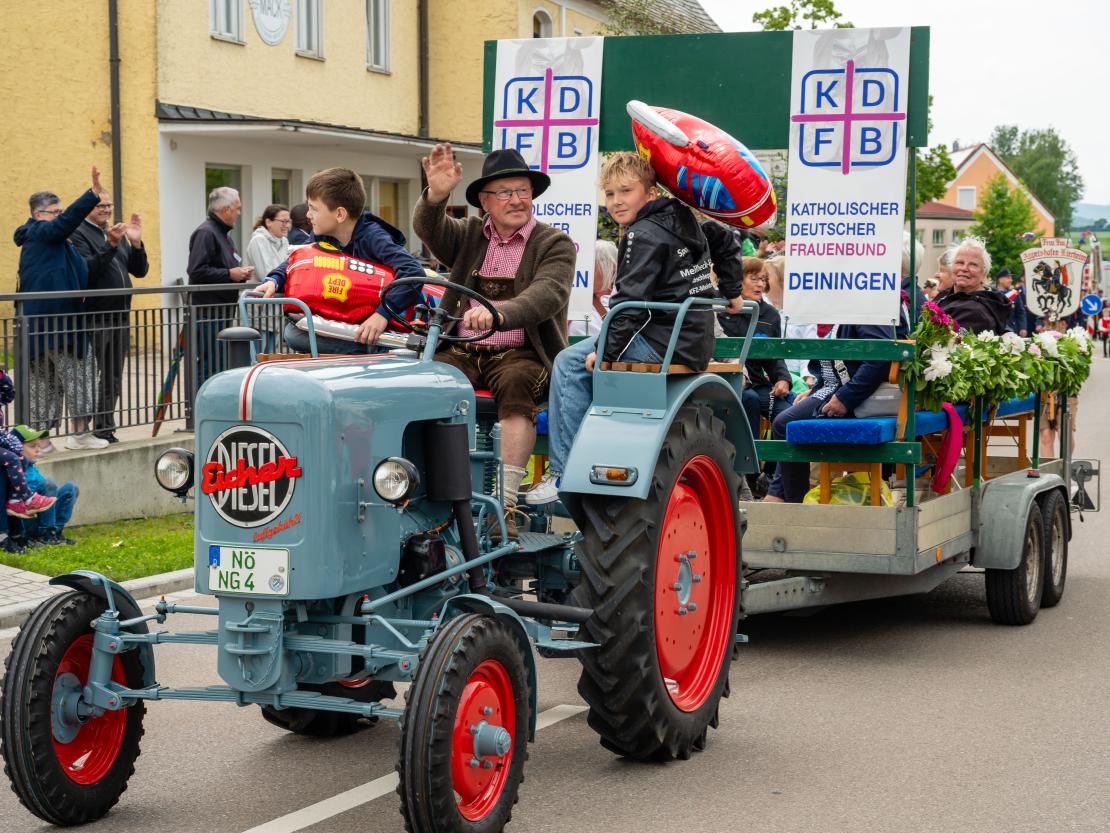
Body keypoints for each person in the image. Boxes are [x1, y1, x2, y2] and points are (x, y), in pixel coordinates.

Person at [536, 151, 743, 508]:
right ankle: (594, 448)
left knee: (569, 364)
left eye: (625, 192)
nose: (616, 202)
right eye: (610, 194)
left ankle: (563, 473)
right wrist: (733, 290)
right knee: (583, 355)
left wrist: (605, 355)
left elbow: (630, 305)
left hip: (659, 340)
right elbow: (727, 240)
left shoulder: (642, 234)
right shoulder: (686, 219)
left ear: (650, 193)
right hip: (692, 339)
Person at [414, 145, 576, 538]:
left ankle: (502, 505)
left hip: (522, 351)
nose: (517, 200)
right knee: (428, 383)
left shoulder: (553, 243)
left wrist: (499, 313)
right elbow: (429, 229)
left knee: (519, 382)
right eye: (505, 193)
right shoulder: (469, 234)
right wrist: (436, 195)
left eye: (522, 191)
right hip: (465, 349)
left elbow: (547, 294)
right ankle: (426, 493)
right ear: (485, 201)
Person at [258, 169, 425, 354]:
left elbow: (413, 271)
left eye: (314, 208)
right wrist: (273, 280)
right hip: (350, 316)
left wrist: (382, 315)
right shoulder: (321, 236)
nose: (308, 215)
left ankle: (380, 348)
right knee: (294, 330)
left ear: (339, 214)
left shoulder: (374, 237)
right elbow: (296, 260)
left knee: (295, 335)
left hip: (382, 324)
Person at [15, 166, 112, 449]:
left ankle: (42, 443)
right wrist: (92, 193)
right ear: (39, 215)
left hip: (43, 324)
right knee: (76, 377)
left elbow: (84, 271)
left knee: (45, 382)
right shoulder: (43, 233)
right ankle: (76, 436)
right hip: (60, 324)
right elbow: (65, 222)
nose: (60, 217)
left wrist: (111, 246)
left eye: (60, 211)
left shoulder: (52, 239)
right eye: (54, 212)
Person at [763, 321, 897, 503]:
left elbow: (879, 358)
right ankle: (780, 495)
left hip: (860, 397)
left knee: (785, 423)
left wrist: (845, 398)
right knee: (784, 418)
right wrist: (814, 390)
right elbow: (832, 370)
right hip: (833, 390)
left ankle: (793, 503)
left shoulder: (864, 310)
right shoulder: (838, 313)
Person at [70, 188, 148, 444]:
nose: (106, 209)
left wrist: (135, 244)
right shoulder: (78, 233)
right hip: (95, 315)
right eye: (100, 205)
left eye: (109, 205)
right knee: (92, 375)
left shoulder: (113, 232)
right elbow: (88, 272)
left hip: (120, 315)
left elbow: (139, 270)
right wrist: (111, 244)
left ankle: (105, 427)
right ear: (89, 207)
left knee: (113, 374)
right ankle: (83, 430)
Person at [187, 187, 254, 386]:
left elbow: (221, 268)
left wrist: (238, 274)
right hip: (208, 313)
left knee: (219, 363)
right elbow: (196, 271)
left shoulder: (222, 234)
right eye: (237, 208)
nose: (239, 213)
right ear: (226, 209)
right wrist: (229, 274)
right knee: (210, 364)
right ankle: (204, 408)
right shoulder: (206, 233)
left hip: (221, 310)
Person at [721, 257, 791, 443]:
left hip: (758, 382)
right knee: (749, 400)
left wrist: (783, 379)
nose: (760, 284)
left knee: (786, 413)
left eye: (763, 279)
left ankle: (773, 469)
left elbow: (775, 356)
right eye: (754, 278)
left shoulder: (770, 314)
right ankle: (750, 467)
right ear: (738, 280)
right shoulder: (721, 309)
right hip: (728, 379)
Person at [933, 236, 1011, 334]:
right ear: (951, 267)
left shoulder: (977, 313)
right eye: (960, 262)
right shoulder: (947, 294)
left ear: (984, 274)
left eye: (973, 264)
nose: (964, 268)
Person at [16, 426, 78, 546]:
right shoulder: (14, 467)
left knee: (71, 488)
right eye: (33, 446)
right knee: (49, 484)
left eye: (39, 446)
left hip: (40, 514)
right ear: (17, 448)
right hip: (25, 519)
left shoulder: (31, 466)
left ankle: (54, 532)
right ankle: (46, 534)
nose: (38, 450)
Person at [568, 239, 617, 336]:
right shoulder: (574, 296)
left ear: (612, 267)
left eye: (592, 265)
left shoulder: (620, 299)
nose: (587, 272)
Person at [244, 204, 291, 277]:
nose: (287, 225)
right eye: (283, 221)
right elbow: (266, 275)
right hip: (260, 288)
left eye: (288, 221)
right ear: (268, 222)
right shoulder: (258, 240)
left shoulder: (284, 241)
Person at [994, 268, 1028, 337]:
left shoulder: (1014, 293)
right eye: (1008, 278)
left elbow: (1020, 312)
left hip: (1012, 331)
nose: (1011, 280)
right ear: (1000, 280)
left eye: (1011, 278)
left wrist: (1022, 327)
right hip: (995, 331)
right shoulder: (991, 293)